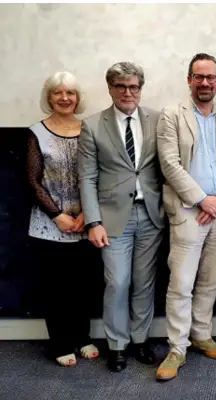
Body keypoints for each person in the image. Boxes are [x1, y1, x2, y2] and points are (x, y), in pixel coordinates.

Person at [155, 53, 216, 381]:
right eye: (198, 76)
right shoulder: (171, 115)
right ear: (189, 80)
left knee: (211, 279)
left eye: (211, 77)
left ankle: (201, 334)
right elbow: (169, 163)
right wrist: (202, 200)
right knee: (181, 282)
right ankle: (177, 347)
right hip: (189, 211)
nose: (205, 82)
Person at [78, 62, 165, 372]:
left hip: (151, 215)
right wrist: (93, 221)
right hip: (112, 219)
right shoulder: (92, 125)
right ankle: (117, 345)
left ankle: (140, 340)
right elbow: (87, 177)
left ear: (140, 88)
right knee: (117, 282)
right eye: (121, 86)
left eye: (134, 87)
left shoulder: (158, 119)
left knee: (144, 283)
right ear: (111, 89)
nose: (128, 92)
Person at [27, 71, 99, 367]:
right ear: (49, 98)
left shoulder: (89, 129)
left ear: (78, 98)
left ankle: (82, 337)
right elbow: (32, 180)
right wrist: (57, 216)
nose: (65, 98)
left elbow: (98, 175)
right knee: (54, 288)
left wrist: (87, 214)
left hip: (85, 223)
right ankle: (60, 342)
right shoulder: (37, 132)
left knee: (82, 285)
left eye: (70, 92)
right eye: (58, 92)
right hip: (49, 224)